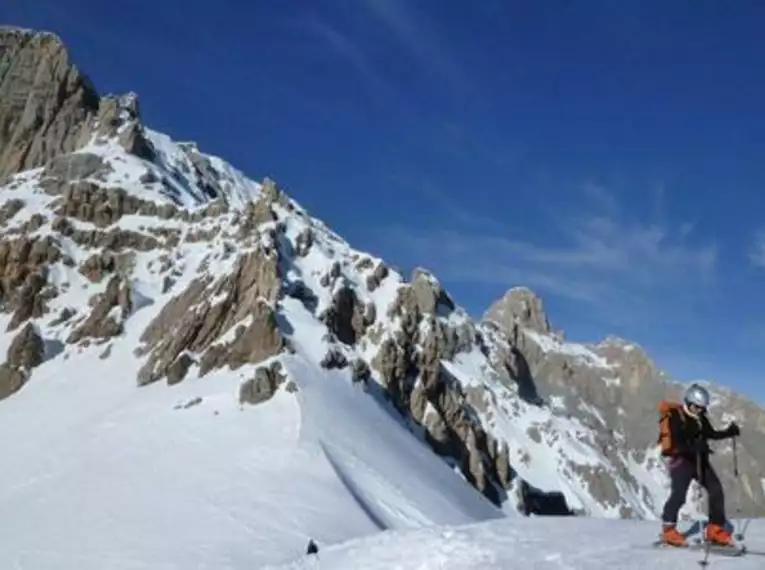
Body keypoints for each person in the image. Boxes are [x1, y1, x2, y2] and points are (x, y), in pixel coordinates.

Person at [658, 383, 740, 547]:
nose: (700, 411)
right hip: (681, 460)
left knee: (716, 489)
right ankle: (668, 529)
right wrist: (693, 447)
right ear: (688, 403)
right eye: (697, 407)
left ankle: (714, 528)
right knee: (679, 494)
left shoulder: (701, 418)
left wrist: (728, 432)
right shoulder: (676, 415)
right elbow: (677, 441)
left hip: (699, 459)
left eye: (702, 408)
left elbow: (711, 434)